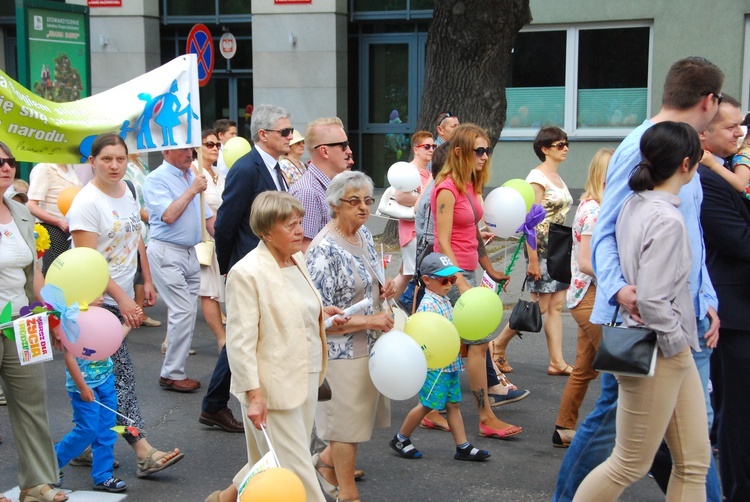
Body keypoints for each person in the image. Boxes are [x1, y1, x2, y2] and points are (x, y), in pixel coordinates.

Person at [552, 56, 723, 502]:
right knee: (627, 454)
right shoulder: (642, 153)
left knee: (690, 457)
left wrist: (705, 298)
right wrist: (621, 290)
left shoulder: (666, 166)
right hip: (654, 331)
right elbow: (605, 235)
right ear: (709, 101)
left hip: (673, 326)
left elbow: (693, 239)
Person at [573, 121, 711, 501]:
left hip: (662, 348)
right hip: (661, 349)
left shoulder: (637, 204)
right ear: (686, 164)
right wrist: (677, 344)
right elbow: (651, 300)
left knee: (695, 461)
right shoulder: (666, 218)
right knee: (630, 462)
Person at [203, 192, 346, 502]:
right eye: (289, 225)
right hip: (272, 386)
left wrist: (320, 313)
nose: (299, 230)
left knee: (269, 458)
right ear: (265, 232)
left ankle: (225, 499)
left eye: (299, 222)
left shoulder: (297, 258)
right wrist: (254, 396)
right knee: (296, 466)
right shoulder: (247, 272)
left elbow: (291, 312)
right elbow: (240, 343)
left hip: (307, 374)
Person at [67, 133, 184, 478]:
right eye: (106, 160)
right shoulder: (86, 203)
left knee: (100, 377)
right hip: (94, 301)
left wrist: (145, 281)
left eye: (120, 159)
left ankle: (85, 442)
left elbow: (136, 240)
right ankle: (143, 450)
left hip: (120, 295)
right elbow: (87, 262)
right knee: (120, 378)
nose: (115, 166)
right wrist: (121, 299)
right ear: (92, 162)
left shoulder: (128, 192)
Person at [306, 170, 396, 502]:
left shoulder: (365, 237)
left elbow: (366, 285)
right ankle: (348, 493)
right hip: (340, 352)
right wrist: (369, 320)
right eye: (354, 201)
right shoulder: (322, 249)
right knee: (344, 426)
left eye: (367, 201)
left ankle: (325, 464)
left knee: (358, 421)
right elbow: (318, 317)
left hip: (369, 346)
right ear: (335, 204)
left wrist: (382, 287)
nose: (363, 208)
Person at [205, 104, 292, 434]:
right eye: (284, 131)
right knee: (245, 336)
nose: (289, 136)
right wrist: (229, 266)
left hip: (270, 264)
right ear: (263, 134)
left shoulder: (274, 167)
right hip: (248, 264)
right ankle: (214, 403)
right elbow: (225, 224)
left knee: (250, 335)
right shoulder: (247, 168)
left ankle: (215, 402)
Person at [431, 123, 520, 440]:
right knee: (478, 344)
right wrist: (460, 282)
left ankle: (430, 407)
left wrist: (491, 269)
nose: (484, 156)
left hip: (470, 272)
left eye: (487, 150)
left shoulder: (469, 185)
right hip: (452, 275)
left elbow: (472, 236)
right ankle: (485, 416)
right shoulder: (446, 189)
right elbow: (442, 242)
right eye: (478, 150)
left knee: (454, 346)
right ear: (459, 152)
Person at [0, 142, 67, 502]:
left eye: (9, 161)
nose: (5, 167)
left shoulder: (22, 213)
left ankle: (36, 483)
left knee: (32, 399)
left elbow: (33, 274)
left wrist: (52, 315)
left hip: (21, 319)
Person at [389, 252, 491, 462]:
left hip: (450, 363)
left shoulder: (443, 300)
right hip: (436, 366)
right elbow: (427, 336)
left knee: (454, 404)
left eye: (453, 279)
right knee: (427, 405)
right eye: (445, 280)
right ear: (426, 280)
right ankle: (401, 438)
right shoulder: (428, 305)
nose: (450, 284)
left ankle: (462, 446)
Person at [697, 97, 750, 501]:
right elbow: (738, 241)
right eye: (731, 127)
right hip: (732, 316)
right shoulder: (705, 179)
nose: (740, 133)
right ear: (704, 133)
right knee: (736, 418)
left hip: (738, 310)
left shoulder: (725, 171)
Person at [492, 126, 574, 377]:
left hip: (559, 247)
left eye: (566, 143)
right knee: (538, 306)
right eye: (559, 145)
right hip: (542, 248)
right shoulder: (537, 178)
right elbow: (530, 221)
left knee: (556, 304)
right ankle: (497, 344)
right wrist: (534, 259)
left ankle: (557, 361)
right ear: (544, 149)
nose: (566, 148)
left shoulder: (557, 178)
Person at [552, 148, 612, 448]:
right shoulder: (594, 211)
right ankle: (619, 436)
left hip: (587, 293)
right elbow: (587, 262)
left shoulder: (593, 205)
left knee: (585, 368)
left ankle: (564, 427)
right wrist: (616, 279)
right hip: (589, 294)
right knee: (621, 366)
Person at [143, 145, 215, 392]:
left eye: (191, 149)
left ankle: (174, 369)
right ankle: (172, 372)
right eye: (183, 149)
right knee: (183, 310)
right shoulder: (156, 179)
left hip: (190, 251)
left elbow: (209, 220)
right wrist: (193, 189)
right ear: (166, 153)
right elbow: (169, 215)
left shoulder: (191, 177)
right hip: (167, 250)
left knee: (184, 311)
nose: (190, 154)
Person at [56, 322, 127, 493]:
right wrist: (82, 387)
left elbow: (115, 338)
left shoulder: (100, 319)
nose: (102, 297)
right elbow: (70, 357)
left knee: (108, 430)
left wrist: (131, 319)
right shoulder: (73, 322)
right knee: (87, 430)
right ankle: (49, 464)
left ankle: (103, 475)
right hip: (84, 387)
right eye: (97, 295)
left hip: (106, 382)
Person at [289, 117, 353, 252]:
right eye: (343, 145)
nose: (349, 151)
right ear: (324, 151)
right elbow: (304, 249)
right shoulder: (308, 192)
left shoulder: (329, 187)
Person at [191, 129, 227, 351]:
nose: (214, 148)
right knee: (208, 291)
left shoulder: (219, 174)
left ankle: (171, 340)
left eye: (217, 145)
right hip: (202, 241)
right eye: (209, 144)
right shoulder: (193, 173)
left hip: (219, 238)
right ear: (198, 147)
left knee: (203, 290)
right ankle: (222, 339)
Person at [391, 131, 435, 299]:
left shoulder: (425, 171)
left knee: (408, 272)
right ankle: (388, 304)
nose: (431, 149)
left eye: (433, 146)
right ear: (416, 149)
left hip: (421, 230)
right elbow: (400, 196)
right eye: (427, 146)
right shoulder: (411, 170)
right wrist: (422, 199)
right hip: (412, 231)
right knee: (411, 273)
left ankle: (389, 304)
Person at [124, 153, 161, 328]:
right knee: (134, 266)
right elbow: (132, 202)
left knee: (142, 266)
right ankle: (132, 310)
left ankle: (139, 310)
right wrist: (153, 218)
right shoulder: (124, 169)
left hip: (148, 224)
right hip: (137, 220)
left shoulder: (142, 164)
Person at [26, 162, 80, 275]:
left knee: (70, 272)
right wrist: (58, 222)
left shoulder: (70, 168)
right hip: (53, 229)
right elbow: (31, 205)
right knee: (56, 271)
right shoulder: (44, 167)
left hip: (72, 229)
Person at [699, 111, 750, 198]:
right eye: (731, 127)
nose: (740, 133)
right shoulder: (744, 156)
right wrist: (713, 164)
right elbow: (740, 184)